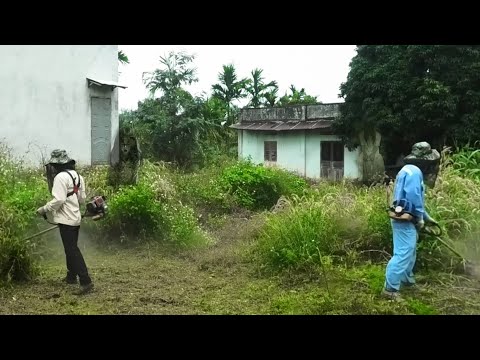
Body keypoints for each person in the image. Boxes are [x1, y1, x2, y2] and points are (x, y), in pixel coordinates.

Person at [382, 142, 440, 301]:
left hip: (404, 216)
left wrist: (427, 218)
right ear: (426, 161)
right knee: (403, 254)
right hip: (405, 220)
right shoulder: (415, 173)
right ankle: (390, 289)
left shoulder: (407, 170)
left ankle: (407, 281)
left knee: (409, 251)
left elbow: (413, 199)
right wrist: (420, 218)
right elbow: (414, 197)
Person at [37, 149, 94, 295]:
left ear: (57, 164)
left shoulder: (60, 178)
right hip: (75, 218)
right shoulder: (78, 176)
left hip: (66, 220)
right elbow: (81, 199)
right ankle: (71, 277)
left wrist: (44, 209)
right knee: (70, 247)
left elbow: (59, 200)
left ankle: (85, 281)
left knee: (72, 250)